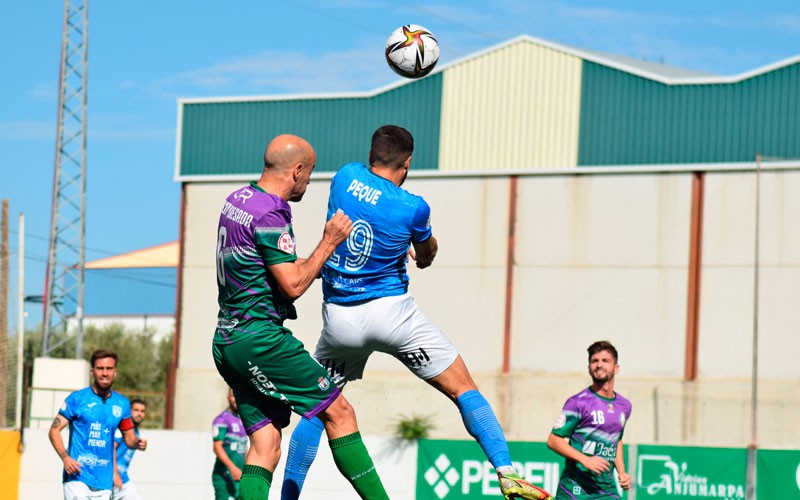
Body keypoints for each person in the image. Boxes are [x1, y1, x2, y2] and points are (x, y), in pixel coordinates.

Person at [281, 125, 552, 500]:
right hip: (392, 315)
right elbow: (425, 257)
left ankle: (286, 498)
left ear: (371, 154)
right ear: (407, 163)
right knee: (463, 389)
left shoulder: (345, 176)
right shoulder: (413, 208)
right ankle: (506, 473)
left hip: (340, 318)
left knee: (318, 409)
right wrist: (418, 245)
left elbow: (365, 210)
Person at [211, 133, 389, 499]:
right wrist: (330, 240)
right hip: (261, 340)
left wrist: (327, 259)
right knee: (340, 412)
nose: (309, 181)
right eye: (309, 174)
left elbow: (270, 269)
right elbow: (292, 284)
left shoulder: (238, 200)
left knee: (265, 445)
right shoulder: (271, 211)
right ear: (296, 170)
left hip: (227, 340)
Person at [48, 349, 147, 500]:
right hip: (77, 477)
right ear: (92, 372)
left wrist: (137, 444)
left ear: (115, 372)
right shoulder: (77, 399)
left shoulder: (122, 404)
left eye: (109, 368)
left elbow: (129, 438)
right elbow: (54, 430)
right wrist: (65, 458)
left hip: (104, 482)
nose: (105, 373)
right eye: (100, 368)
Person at [546, 341, 632, 499]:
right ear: (589, 368)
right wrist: (585, 460)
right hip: (574, 490)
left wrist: (621, 472)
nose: (599, 365)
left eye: (605, 361)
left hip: (607, 490)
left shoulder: (624, 406)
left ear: (616, 368)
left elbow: (617, 439)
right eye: (594, 361)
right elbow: (553, 440)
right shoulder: (577, 402)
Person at [211, 389, 248, 500]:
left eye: (238, 395)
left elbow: (244, 447)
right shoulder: (221, 419)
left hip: (240, 475)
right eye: (233, 396)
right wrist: (232, 468)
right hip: (224, 475)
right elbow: (217, 447)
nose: (235, 399)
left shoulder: (244, 419)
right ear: (228, 399)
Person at [112, 398, 147, 500]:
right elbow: (111, 449)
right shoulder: (122, 429)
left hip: (123, 480)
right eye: (136, 410)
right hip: (110, 479)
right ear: (129, 411)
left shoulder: (135, 432)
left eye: (142, 411)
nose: (139, 414)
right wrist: (115, 474)